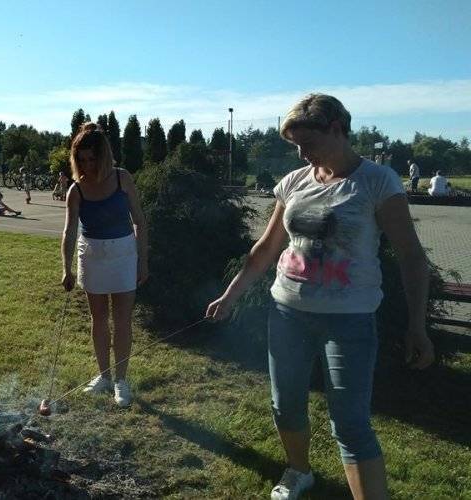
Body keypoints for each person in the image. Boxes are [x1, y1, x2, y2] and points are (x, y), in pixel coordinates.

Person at [205, 94, 434, 500]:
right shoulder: (294, 182)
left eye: (306, 141)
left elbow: (411, 255)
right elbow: (266, 248)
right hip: (287, 313)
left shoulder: (377, 181)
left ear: (336, 129)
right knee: (285, 405)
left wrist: (418, 324)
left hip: (349, 322)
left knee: (349, 424)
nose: (300, 152)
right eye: (295, 144)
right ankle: (299, 471)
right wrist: (231, 295)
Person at [61, 123, 149, 408]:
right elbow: (69, 230)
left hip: (124, 253)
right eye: (82, 160)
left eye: (92, 159)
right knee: (98, 318)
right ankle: (104, 377)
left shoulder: (123, 179)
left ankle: (121, 381)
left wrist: (142, 260)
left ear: (104, 156)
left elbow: (139, 220)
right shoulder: (76, 189)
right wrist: (66, 267)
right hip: (92, 254)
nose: (87, 165)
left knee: (122, 318)